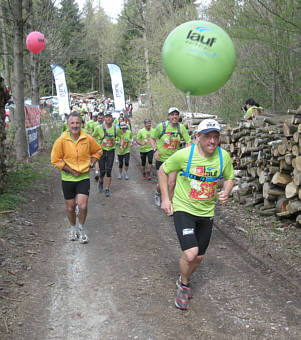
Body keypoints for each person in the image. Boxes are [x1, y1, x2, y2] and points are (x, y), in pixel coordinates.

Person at [158, 119, 235, 310]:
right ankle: (184, 285)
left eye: (216, 137)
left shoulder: (223, 157)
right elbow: (162, 170)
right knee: (191, 254)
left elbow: (229, 177)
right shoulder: (185, 155)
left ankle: (183, 277)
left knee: (199, 257)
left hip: (206, 211)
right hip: (184, 208)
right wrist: (166, 199)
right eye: (208, 136)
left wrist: (226, 191)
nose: (212, 141)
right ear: (198, 137)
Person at [51, 112, 102, 244]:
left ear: (81, 124)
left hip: (83, 177)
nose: (75, 126)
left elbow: (98, 150)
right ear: (68, 124)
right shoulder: (61, 141)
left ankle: (81, 228)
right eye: (72, 123)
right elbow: (55, 160)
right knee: (70, 207)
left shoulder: (87, 138)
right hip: (68, 178)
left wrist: (91, 162)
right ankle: (73, 228)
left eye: (77, 123)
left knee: (83, 206)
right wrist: (70, 170)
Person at [150, 107, 191, 208]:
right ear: (168, 116)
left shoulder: (181, 128)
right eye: (172, 115)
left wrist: (187, 152)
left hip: (174, 160)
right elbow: (152, 138)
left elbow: (188, 141)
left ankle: (170, 204)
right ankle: (158, 192)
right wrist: (155, 150)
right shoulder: (161, 127)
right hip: (161, 158)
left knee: (171, 183)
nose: (174, 117)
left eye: (176, 115)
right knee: (161, 184)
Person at [92, 111, 122, 197]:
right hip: (101, 151)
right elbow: (93, 137)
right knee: (102, 171)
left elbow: (121, 136)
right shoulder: (98, 128)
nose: (108, 118)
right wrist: (95, 146)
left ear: (112, 118)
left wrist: (121, 145)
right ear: (104, 118)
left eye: (110, 117)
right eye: (107, 117)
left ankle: (107, 188)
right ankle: (101, 181)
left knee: (109, 170)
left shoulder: (116, 128)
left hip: (111, 151)